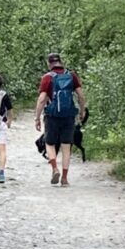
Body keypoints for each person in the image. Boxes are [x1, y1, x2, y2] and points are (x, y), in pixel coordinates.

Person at [34, 51, 87, 187]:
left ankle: (54, 168)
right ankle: (64, 178)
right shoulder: (72, 75)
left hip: (52, 116)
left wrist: (37, 118)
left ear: (49, 63)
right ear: (60, 61)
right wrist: (81, 112)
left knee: (50, 144)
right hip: (69, 115)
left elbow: (41, 100)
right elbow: (81, 96)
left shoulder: (47, 77)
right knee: (66, 147)